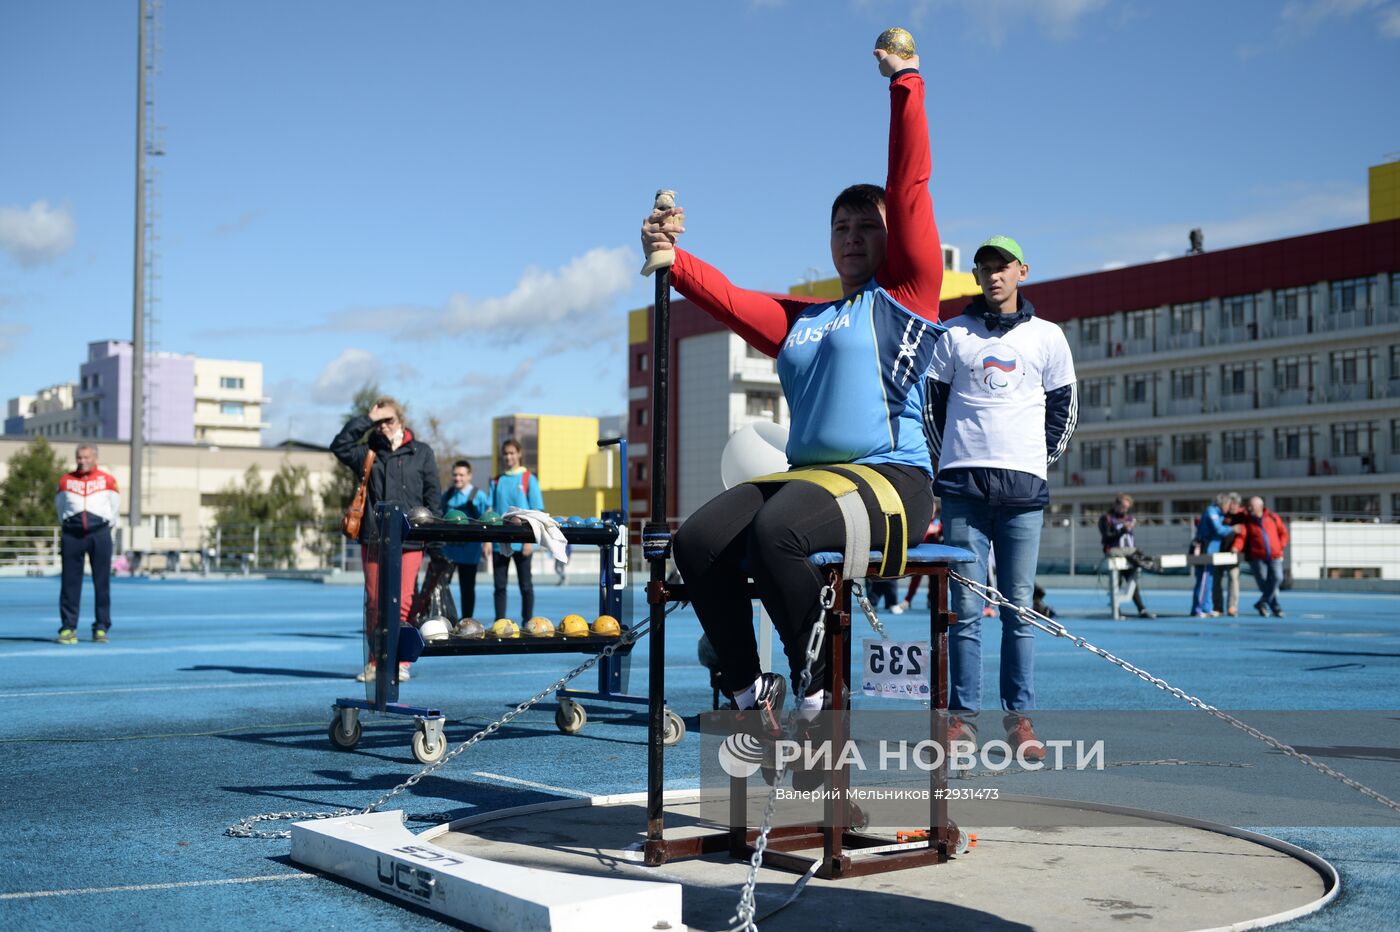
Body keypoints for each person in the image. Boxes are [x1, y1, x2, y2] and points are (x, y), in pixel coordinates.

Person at [643, 43, 944, 732]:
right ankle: (754, 700)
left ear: (892, 239)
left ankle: (820, 699)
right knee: (695, 543)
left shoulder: (906, 297)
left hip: (891, 477)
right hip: (813, 479)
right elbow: (727, 298)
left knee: (779, 532)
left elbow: (909, 188)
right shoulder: (805, 320)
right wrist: (672, 258)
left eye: (867, 225)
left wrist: (905, 84)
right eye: (840, 226)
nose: (852, 235)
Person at [923, 234, 1078, 761]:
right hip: (963, 490)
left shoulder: (1049, 337)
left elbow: (1065, 408)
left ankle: (1020, 720)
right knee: (964, 611)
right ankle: (962, 720)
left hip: (1024, 491)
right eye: (984, 267)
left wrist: (1036, 461)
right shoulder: (952, 334)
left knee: (1018, 610)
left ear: (1022, 272)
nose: (993, 274)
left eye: (1003, 266)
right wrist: (951, 460)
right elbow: (931, 406)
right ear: (976, 276)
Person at [331, 397, 441, 683]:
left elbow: (433, 497)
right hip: (375, 537)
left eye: (388, 420)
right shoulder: (368, 452)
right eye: (378, 423)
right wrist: (368, 420)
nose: (383, 427)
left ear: (401, 419)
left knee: (404, 601)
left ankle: (401, 661)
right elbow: (339, 445)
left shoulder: (422, 452)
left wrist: (436, 540)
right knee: (376, 603)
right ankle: (375, 661)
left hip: (411, 539)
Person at [55, 443, 120, 644]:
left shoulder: (107, 480)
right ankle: (68, 627)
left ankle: (101, 627)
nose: (82, 461)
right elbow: (60, 507)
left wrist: (105, 525)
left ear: (95, 458)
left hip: (99, 534)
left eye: (86, 457)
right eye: (79, 458)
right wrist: (68, 524)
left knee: (102, 583)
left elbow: (115, 507)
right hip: (72, 535)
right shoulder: (66, 480)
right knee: (69, 583)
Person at [489, 438, 544, 621]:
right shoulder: (497, 481)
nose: (508, 456)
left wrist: (530, 541)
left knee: (526, 586)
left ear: (519, 454)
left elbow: (537, 512)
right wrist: (487, 541)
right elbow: (490, 512)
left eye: (512, 453)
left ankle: (528, 622)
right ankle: (500, 624)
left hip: (523, 542)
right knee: (499, 587)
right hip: (500, 542)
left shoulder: (529, 479)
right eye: (505, 453)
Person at [440, 459, 491, 619]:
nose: (458, 478)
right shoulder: (447, 496)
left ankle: (467, 621)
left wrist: (487, 542)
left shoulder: (479, 496)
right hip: (449, 550)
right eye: (455, 475)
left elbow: (488, 520)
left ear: (469, 476)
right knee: (442, 588)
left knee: (467, 588)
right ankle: (443, 619)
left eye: (461, 475)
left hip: (470, 550)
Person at [1099, 493, 1156, 619]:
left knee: (1132, 581)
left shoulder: (1129, 518)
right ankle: (1116, 609)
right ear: (1116, 505)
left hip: (1129, 555)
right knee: (1116, 582)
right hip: (1115, 553)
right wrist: (1122, 530)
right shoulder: (1106, 518)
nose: (1125, 510)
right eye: (1123, 507)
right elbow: (1107, 537)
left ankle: (1142, 609)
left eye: (1127, 507)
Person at [1189, 492, 1240, 617]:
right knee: (1203, 580)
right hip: (1205, 549)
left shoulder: (1219, 513)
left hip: (1213, 551)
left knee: (1210, 580)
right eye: (1228, 504)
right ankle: (1198, 609)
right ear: (1223, 503)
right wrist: (1232, 529)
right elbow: (1218, 529)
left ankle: (1207, 608)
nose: (1229, 507)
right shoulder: (1211, 511)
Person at [1239, 495, 1290, 618]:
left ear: (1260, 507)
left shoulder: (1272, 517)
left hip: (1275, 555)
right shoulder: (1247, 520)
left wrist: (1280, 546)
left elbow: (1284, 533)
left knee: (1278, 578)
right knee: (1264, 582)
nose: (1249, 508)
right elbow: (1242, 536)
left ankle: (1262, 602)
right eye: (1249, 506)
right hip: (1257, 557)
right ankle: (1275, 606)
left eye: (1252, 506)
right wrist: (1237, 548)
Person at [895, 508, 944, 614]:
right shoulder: (921, 523)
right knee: (915, 579)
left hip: (934, 557)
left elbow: (940, 532)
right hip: (920, 556)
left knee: (934, 581)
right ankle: (907, 600)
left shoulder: (938, 522)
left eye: (933, 509)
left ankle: (932, 601)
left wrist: (937, 529)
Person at [1214, 511, 1246, 616]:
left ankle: (1232, 607)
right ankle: (1218, 607)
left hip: (1233, 554)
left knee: (1233, 579)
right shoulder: (1219, 515)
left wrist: (1237, 546)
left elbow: (1243, 534)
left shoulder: (1242, 516)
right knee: (1216, 580)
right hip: (1218, 553)